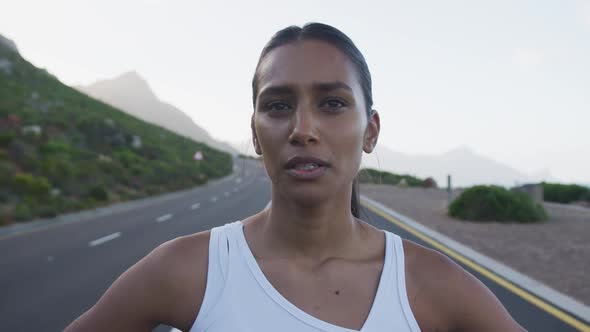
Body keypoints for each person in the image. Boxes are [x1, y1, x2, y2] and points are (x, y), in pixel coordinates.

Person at [65, 23, 525, 332]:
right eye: (278, 105)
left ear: (371, 130)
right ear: (257, 134)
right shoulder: (188, 271)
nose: (303, 130)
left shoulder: (431, 284)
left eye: (332, 103)